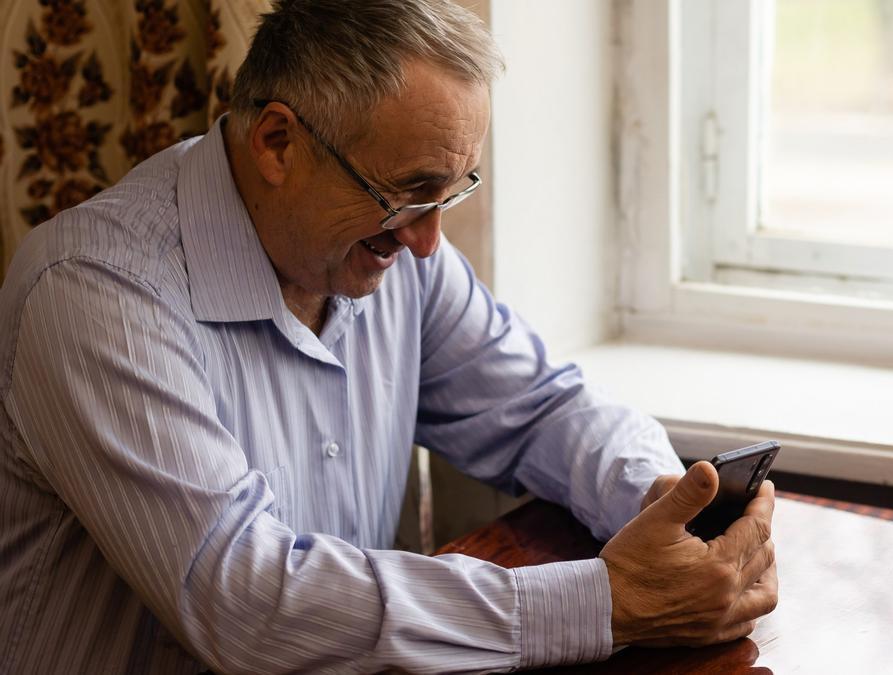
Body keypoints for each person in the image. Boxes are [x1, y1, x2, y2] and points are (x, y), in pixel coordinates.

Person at [0, 0, 778, 672]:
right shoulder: (95, 291)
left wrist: (659, 506)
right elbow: (244, 601)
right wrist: (606, 604)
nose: (431, 241)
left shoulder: (393, 255)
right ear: (278, 144)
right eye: (408, 192)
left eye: (455, 187)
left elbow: (545, 407)